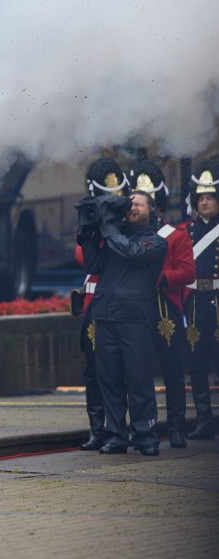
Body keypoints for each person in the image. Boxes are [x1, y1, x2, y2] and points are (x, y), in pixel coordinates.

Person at [77, 189, 167, 456]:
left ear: (152, 211)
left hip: (134, 319)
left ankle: (145, 435)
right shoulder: (112, 239)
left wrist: (108, 230)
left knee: (138, 380)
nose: (133, 207)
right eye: (130, 204)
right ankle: (116, 436)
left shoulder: (156, 242)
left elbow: (134, 253)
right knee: (110, 380)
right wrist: (89, 233)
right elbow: (92, 264)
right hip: (106, 316)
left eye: (139, 204)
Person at [127, 159, 195, 447]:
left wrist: (162, 279)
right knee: (137, 372)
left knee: (172, 370)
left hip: (165, 306)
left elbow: (188, 271)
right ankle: (142, 428)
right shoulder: (127, 237)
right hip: (138, 307)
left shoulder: (176, 236)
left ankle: (177, 428)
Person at [73, 157, 129, 450]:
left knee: (123, 369)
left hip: (121, 301)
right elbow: (84, 258)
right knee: (94, 369)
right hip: (96, 303)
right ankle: (98, 429)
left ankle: (121, 428)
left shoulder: (127, 219)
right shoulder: (92, 219)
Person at [180, 157, 219, 440]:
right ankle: (204, 420)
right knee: (196, 364)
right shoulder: (188, 230)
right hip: (195, 303)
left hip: (218, 301)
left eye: (210, 197)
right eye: (201, 197)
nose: (204, 202)